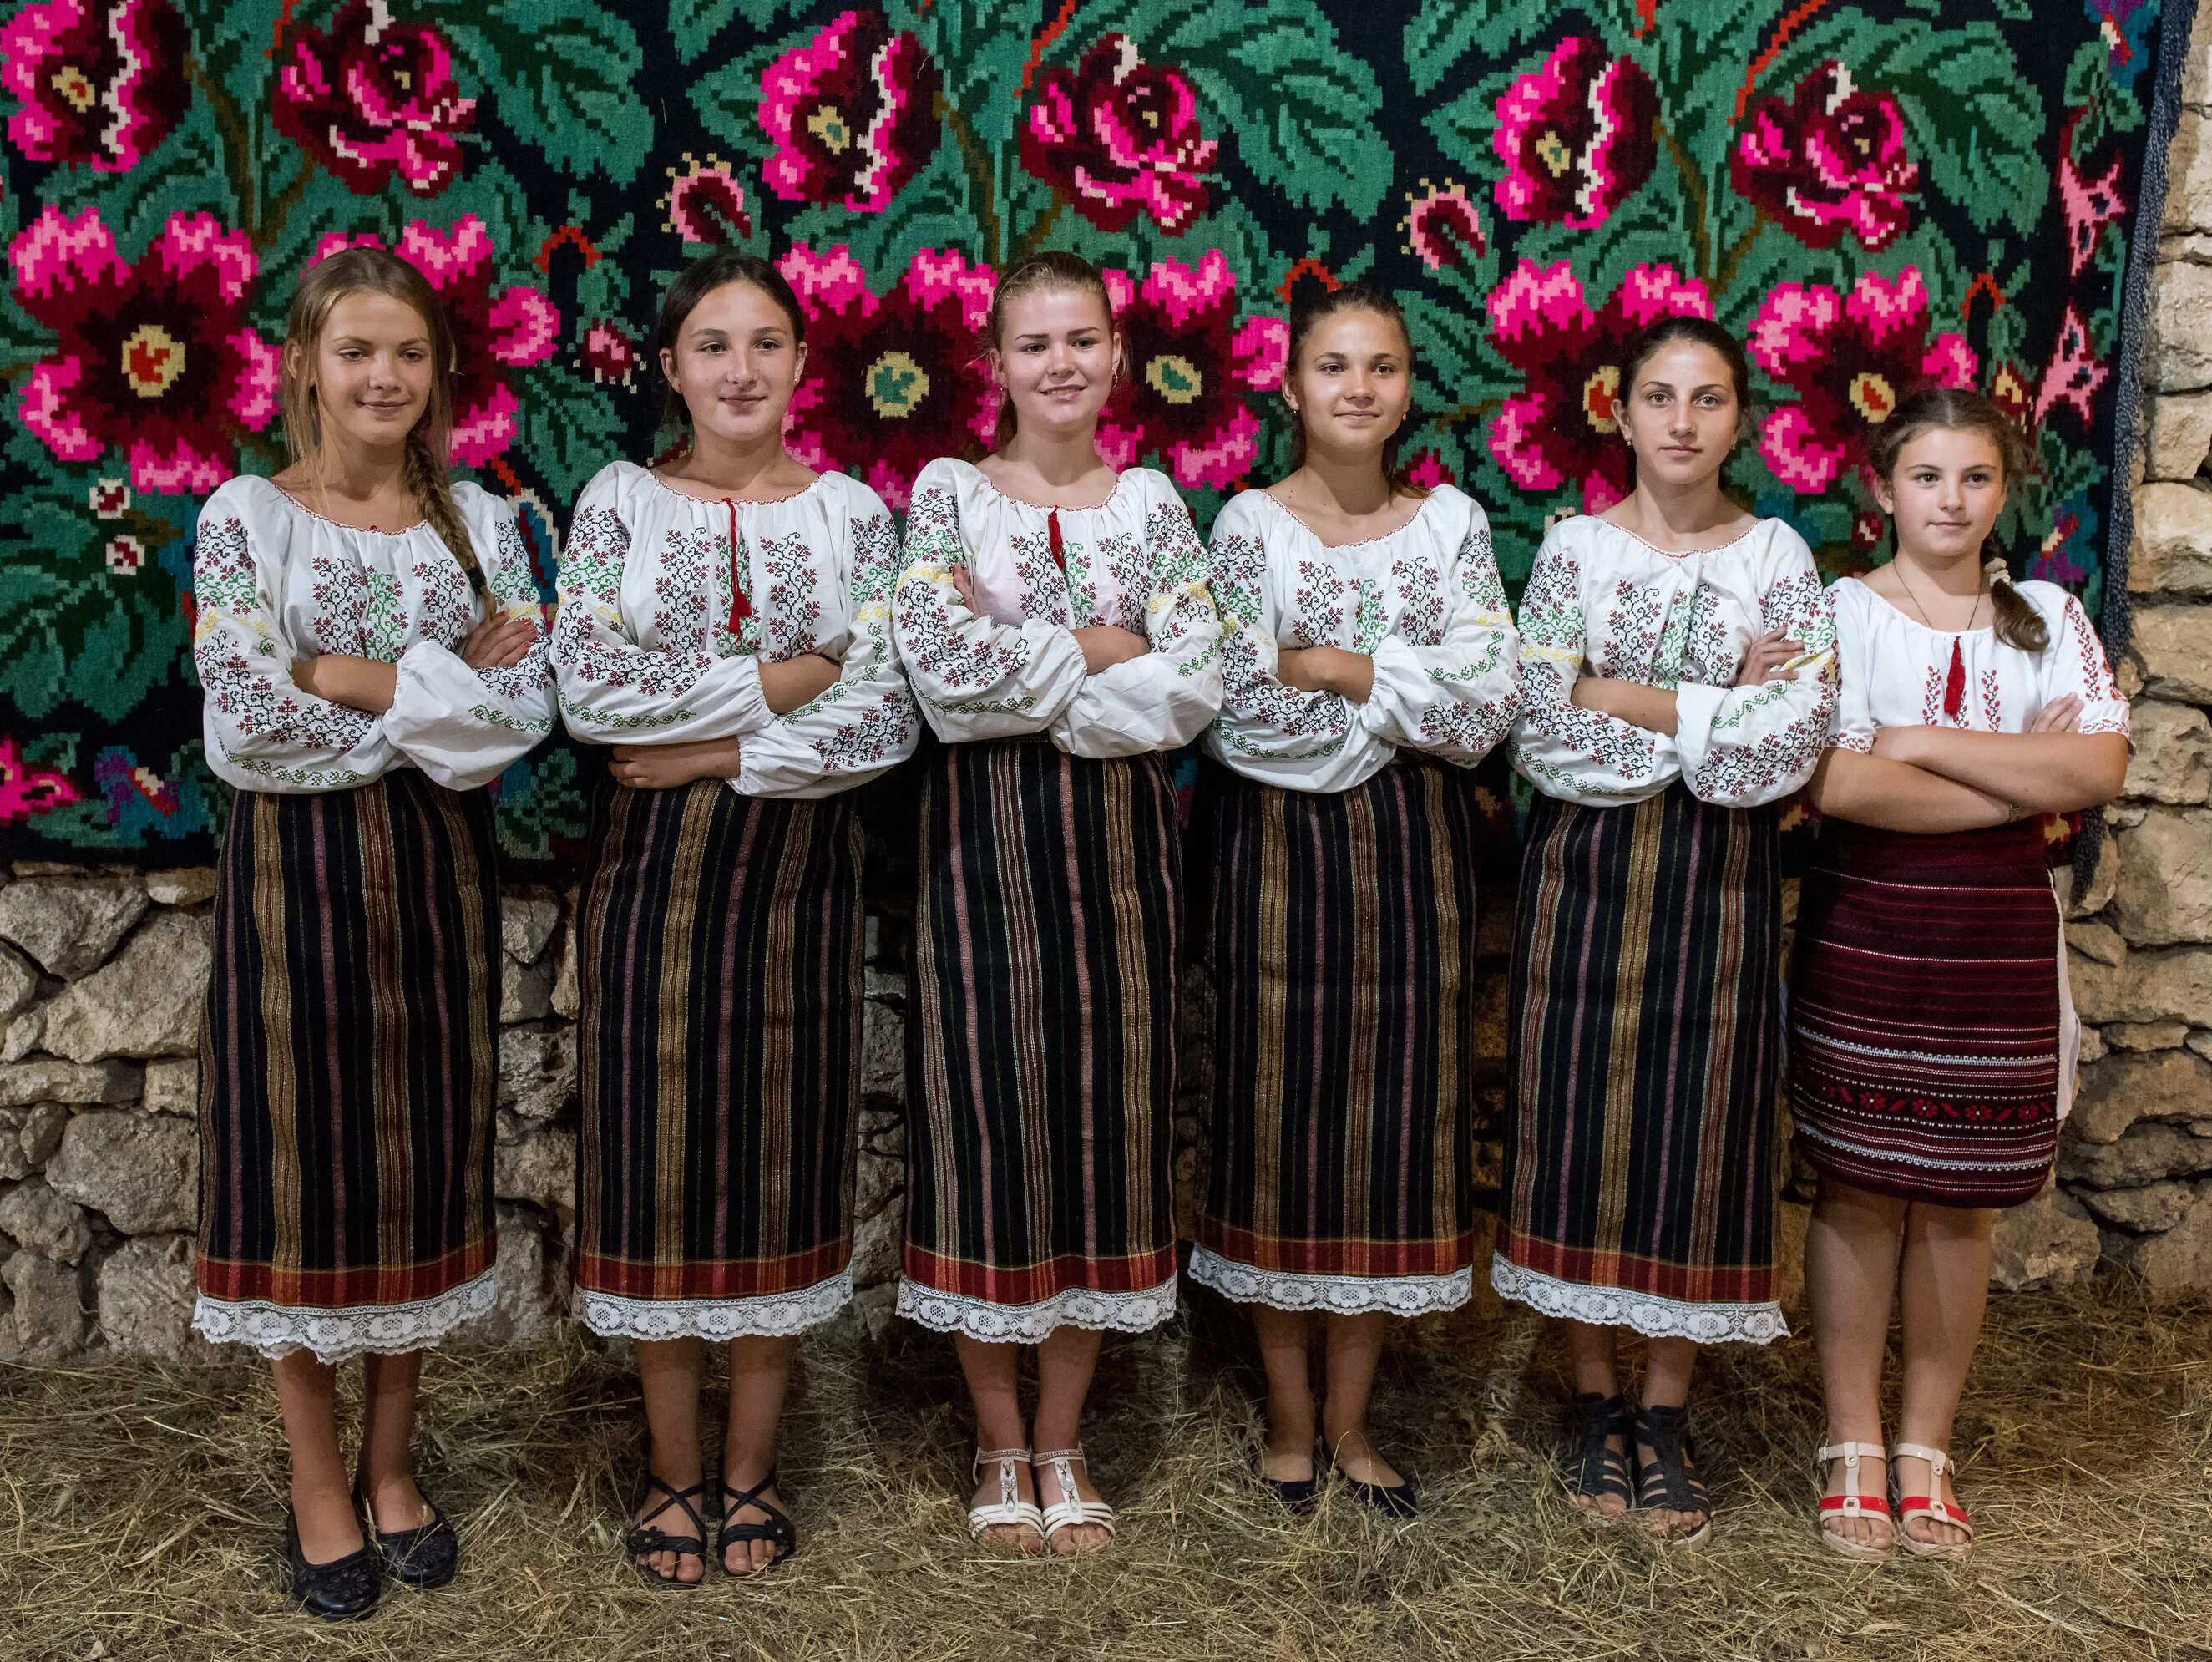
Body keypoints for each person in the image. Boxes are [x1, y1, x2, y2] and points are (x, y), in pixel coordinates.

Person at [190, 246, 554, 1620]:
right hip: (291, 877)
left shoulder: (481, 524)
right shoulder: (247, 518)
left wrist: (332, 671)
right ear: (305, 364)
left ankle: (393, 1464)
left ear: (439, 370)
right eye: (356, 351)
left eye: (408, 353)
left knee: (419, 1160)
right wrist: (435, 695)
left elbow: (522, 716)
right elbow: (244, 720)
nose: (383, 376)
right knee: (297, 1168)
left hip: (437, 872)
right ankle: (316, 1481)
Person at [550, 251, 915, 1585]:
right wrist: (791, 676)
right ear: (670, 367)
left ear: (801, 364)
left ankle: (751, 1464)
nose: (740, 368)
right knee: (655, 1165)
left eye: (766, 342)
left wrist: (714, 746)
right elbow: (593, 691)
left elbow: (883, 713)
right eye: (712, 344)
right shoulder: (621, 501)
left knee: (781, 1158)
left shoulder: (853, 516)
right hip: (651, 881)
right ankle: (671, 1466)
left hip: (799, 885)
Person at [889, 251, 1222, 1556]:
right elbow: (940, 672)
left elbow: (1194, 681)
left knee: (1106, 1123)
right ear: (995, 363)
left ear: (1116, 353)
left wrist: (1030, 672)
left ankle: (1063, 1435)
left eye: (1081, 338)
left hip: (1122, 855)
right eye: (1033, 344)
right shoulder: (949, 493)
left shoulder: (1148, 502)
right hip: (978, 846)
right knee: (985, 1122)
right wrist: (1103, 647)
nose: (1060, 363)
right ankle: (995, 1437)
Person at [1496, 314, 1838, 1548]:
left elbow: (1791, 737)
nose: (1682, 422)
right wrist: (1713, 706)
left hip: (1720, 886)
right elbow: (1541, 727)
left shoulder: (1778, 553)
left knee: (1700, 1131)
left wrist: (1620, 694)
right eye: (1659, 396)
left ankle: (1663, 1411)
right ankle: (1593, 1403)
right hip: (1581, 877)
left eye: (1707, 398)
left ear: (1740, 418)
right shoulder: (1575, 549)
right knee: (1578, 1125)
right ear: (1622, 413)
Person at [1194, 283, 1520, 1517]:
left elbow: (1485, 706)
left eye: (1381, 366)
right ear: (1292, 386)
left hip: (1413, 858)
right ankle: (1289, 1420)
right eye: (1332, 366)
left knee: (1394, 1125)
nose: (1358, 388)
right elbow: (1238, 709)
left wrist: (1329, 664)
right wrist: (1399, 695)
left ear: (1406, 386)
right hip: (1276, 855)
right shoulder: (1248, 526)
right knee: (1278, 1119)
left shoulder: (1449, 525)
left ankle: (1351, 1418)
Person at [1794, 388, 2128, 1563]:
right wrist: (2017, 783)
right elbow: (1836, 785)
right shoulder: (1839, 613)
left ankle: (1924, 1447)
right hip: (1868, 928)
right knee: (1858, 1186)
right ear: (1883, 489)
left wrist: (1924, 743)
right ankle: (1850, 1438)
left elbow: (2096, 769)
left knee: (1958, 1198)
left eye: (1975, 478)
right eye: (1926, 477)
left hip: (1997, 940)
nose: (1950, 500)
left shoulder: (2047, 616)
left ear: (2003, 492)